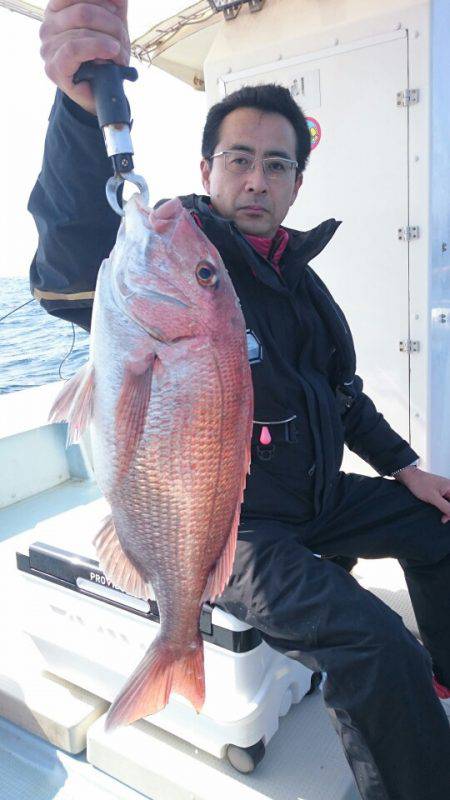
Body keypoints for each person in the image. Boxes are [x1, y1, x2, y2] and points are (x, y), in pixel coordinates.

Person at [30, 2, 450, 798]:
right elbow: (71, 259)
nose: (256, 179)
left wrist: (406, 470)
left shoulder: (304, 280)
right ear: (206, 171)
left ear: (296, 181)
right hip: (236, 528)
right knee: (375, 645)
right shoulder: (181, 250)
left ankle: (442, 683)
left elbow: (345, 395)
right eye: (239, 160)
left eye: (277, 165)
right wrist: (84, 114)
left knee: (442, 527)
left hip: (319, 497)